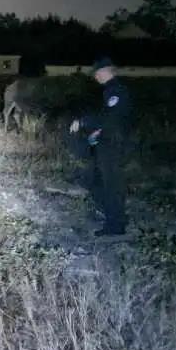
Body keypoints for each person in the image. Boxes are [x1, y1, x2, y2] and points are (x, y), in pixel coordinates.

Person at [69, 57, 132, 236]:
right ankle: (112, 216)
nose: (95, 76)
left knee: (111, 185)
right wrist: (97, 133)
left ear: (106, 71)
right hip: (108, 141)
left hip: (113, 144)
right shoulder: (111, 90)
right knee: (97, 181)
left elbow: (111, 118)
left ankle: (115, 225)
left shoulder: (116, 91)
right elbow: (110, 119)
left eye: (97, 73)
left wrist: (83, 122)